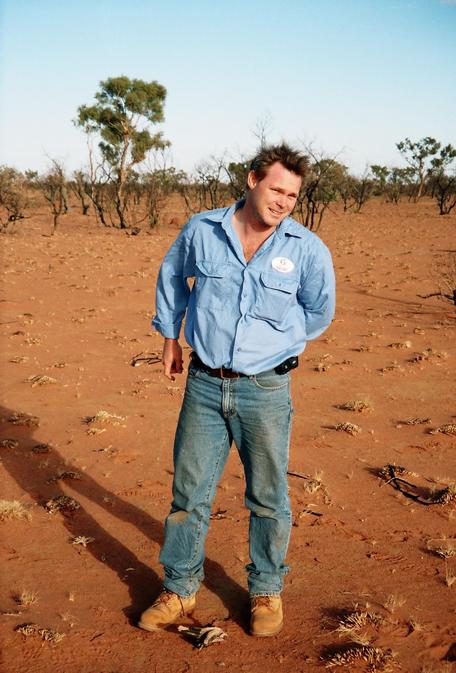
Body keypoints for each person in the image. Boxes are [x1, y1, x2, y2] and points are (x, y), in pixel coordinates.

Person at [139, 144, 336, 637]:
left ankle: (266, 591)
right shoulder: (203, 230)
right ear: (252, 180)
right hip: (204, 384)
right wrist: (171, 338)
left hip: (265, 390)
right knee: (188, 495)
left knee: (268, 498)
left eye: (292, 195)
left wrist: (276, 344)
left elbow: (318, 312)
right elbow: (172, 278)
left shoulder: (306, 249)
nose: (283, 202)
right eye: (276, 189)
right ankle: (179, 588)